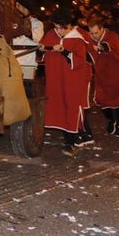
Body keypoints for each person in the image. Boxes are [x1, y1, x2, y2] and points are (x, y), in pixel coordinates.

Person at [41, 8, 95, 156]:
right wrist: (43, 48)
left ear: (68, 25)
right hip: (56, 80)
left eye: (61, 28)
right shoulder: (51, 34)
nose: (58, 31)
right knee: (59, 107)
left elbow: (79, 61)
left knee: (71, 108)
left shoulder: (78, 38)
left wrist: (63, 51)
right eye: (56, 27)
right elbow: (43, 51)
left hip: (73, 81)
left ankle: (71, 142)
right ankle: (80, 136)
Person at [87, 14, 119, 137]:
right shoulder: (90, 39)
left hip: (117, 74)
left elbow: (108, 46)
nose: (93, 35)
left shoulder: (112, 36)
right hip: (102, 75)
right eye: (91, 33)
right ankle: (111, 120)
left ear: (102, 29)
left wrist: (98, 47)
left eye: (95, 33)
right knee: (101, 100)